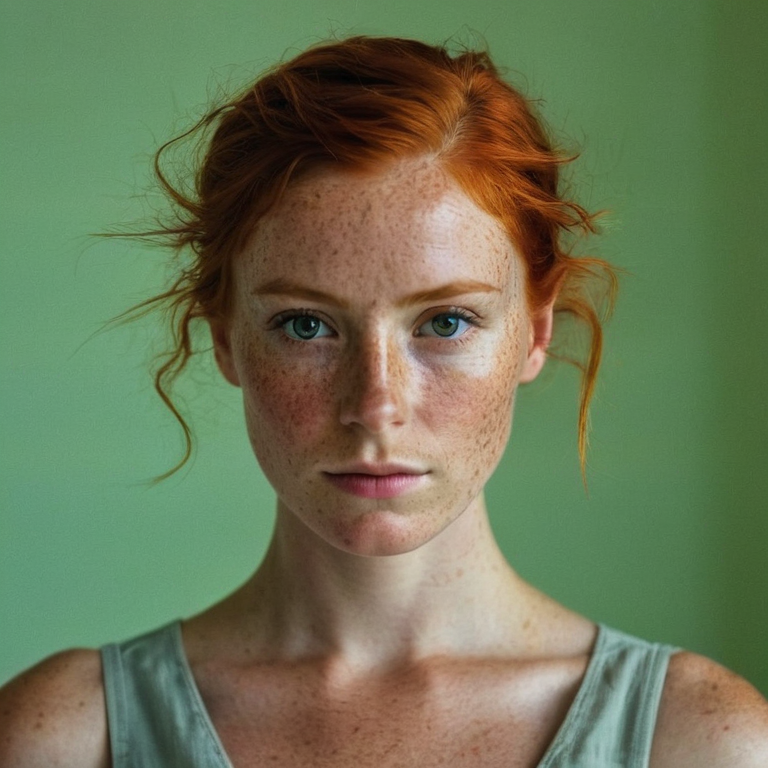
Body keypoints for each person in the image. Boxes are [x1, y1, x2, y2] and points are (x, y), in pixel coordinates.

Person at [1, 35, 767, 768]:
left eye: (445, 322)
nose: (375, 405)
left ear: (535, 330)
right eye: (306, 326)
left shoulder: (703, 742)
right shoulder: (66, 740)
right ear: (227, 338)